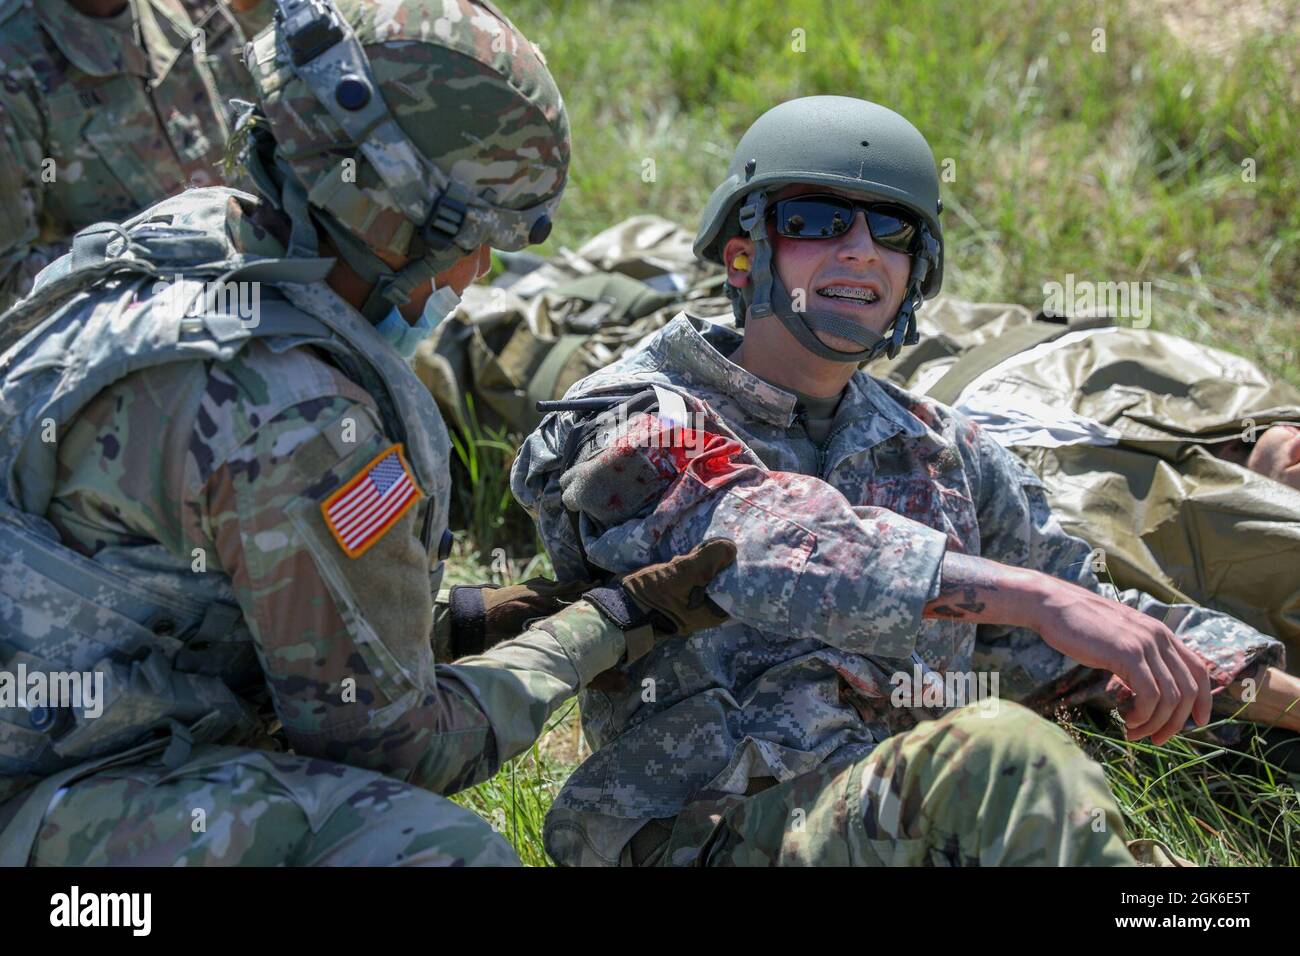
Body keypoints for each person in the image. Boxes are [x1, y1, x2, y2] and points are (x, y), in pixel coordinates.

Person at [0, 0, 735, 867]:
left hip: (58, 728)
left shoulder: (187, 240)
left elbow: (227, 600)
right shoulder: (299, 421)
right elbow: (394, 746)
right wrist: (606, 626)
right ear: (401, 224)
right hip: (43, 808)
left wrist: (469, 622)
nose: (485, 271)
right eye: (482, 236)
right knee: (431, 852)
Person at [511, 95, 1289, 867]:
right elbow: (761, 537)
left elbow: (1099, 624)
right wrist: (1037, 599)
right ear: (743, 252)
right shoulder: (628, 415)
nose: (859, 250)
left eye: (893, 229)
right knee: (1003, 758)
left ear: (917, 273)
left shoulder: (940, 447)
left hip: (912, 824)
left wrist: (1263, 689)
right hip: (702, 837)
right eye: (815, 220)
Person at [0, 0, 272, 311]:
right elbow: (7, 281)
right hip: (140, 323)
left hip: (271, 283)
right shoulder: (12, 62)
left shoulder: (193, 8)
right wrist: (157, 256)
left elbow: (279, 125)